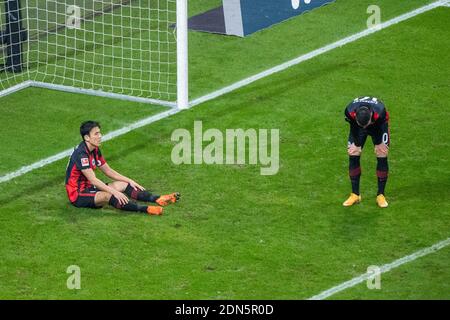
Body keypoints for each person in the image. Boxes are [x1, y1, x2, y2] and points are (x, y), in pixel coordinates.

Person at [65, 121, 180, 215]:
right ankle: (146, 209)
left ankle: (158, 198)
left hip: (90, 187)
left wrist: (129, 180)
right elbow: (93, 180)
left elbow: (108, 171)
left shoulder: (94, 149)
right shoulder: (81, 154)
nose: (100, 136)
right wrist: (115, 192)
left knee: (123, 184)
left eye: (100, 133)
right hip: (78, 194)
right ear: (87, 137)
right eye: (96, 134)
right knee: (108, 196)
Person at [343, 97, 390, 208]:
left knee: (381, 153)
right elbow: (354, 128)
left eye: (366, 124)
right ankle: (355, 194)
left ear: (371, 115)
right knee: (353, 152)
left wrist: (380, 144)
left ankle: (381, 195)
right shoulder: (349, 112)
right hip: (357, 128)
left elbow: (382, 127)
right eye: (362, 124)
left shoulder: (380, 112)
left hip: (378, 126)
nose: (365, 127)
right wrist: (356, 143)